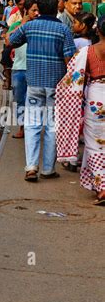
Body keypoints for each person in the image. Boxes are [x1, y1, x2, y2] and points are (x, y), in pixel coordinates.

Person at [8, 0, 76, 182]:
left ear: (39, 9)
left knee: (32, 125)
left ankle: (31, 167)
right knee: (53, 126)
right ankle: (47, 169)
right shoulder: (63, 30)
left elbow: (11, 41)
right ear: (56, 9)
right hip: (56, 85)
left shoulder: (30, 26)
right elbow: (70, 58)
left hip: (34, 84)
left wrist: (26, 20)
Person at [56, 15, 105, 205]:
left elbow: (72, 78)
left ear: (97, 30)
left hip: (96, 98)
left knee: (94, 144)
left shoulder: (88, 52)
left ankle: (102, 188)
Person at [11, 0, 40, 139]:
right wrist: (22, 25)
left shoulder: (40, 26)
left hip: (35, 69)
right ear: (25, 11)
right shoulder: (17, 25)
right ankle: (22, 126)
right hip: (19, 68)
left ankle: (32, 127)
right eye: (33, 10)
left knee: (34, 100)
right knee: (19, 99)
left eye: (38, 10)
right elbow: (8, 40)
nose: (36, 13)